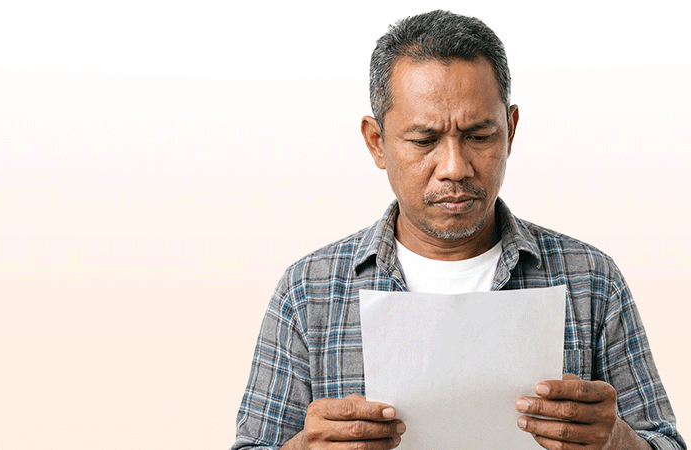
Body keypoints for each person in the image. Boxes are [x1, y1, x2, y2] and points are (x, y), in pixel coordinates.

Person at [232, 10, 685, 450]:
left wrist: (616, 442)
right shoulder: (309, 290)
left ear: (510, 130)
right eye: (424, 140)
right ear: (377, 142)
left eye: (479, 136)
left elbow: (664, 442)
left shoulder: (591, 279)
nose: (454, 167)